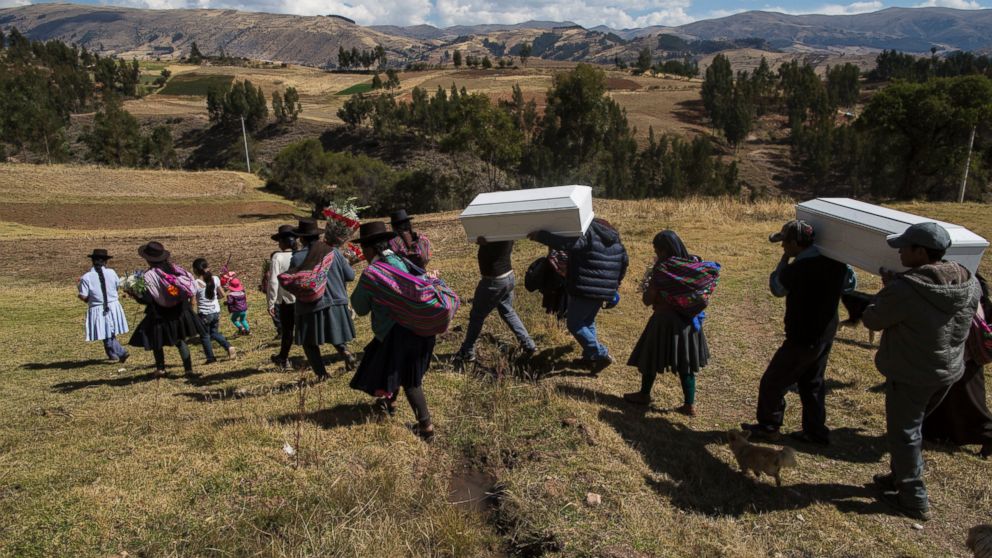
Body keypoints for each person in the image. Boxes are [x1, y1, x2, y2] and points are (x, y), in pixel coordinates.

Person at [862, 222, 981, 521]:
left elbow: (872, 320)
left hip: (912, 373)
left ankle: (913, 498)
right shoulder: (969, 281)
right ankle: (899, 476)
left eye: (905, 247)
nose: (900, 252)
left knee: (904, 434)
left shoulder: (906, 290)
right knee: (913, 429)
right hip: (948, 372)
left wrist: (887, 293)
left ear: (921, 252)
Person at [741, 220, 855, 445]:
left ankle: (769, 427)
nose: (783, 247)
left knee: (773, 381)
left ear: (795, 243)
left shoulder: (797, 269)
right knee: (812, 382)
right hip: (825, 334)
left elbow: (777, 288)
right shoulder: (835, 263)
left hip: (803, 336)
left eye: (785, 243)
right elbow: (849, 285)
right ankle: (815, 431)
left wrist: (784, 261)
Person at [350, 221, 435, 441]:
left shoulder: (372, 273)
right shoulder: (403, 260)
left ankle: (426, 428)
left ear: (369, 249)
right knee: (391, 366)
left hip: (395, 332)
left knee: (409, 379)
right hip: (418, 325)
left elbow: (360, 307)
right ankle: (389, 403)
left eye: (363, 249)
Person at [623, 231, 719, 416]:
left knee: (651, 356)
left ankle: (644, 394)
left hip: (663, 319)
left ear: (664, 250)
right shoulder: (694, 263)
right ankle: (689, 405)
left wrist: (648, 288)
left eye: (656, 250)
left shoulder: (663, 269)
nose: (655, 253)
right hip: (688, 322)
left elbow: (648, 299)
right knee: (686, 363)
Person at [529, 218, 629, 372]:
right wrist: (615, 286)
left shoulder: (588, 233)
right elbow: (624, 263)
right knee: (587, 321)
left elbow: (567, 244)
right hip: (604, 290)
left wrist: (540, 236)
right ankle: (591, 358)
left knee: (574, 324)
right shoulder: (616, 242)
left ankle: (600, 353)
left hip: (585, 288)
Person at [922, 272, 992, 459]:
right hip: (957, 347)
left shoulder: (960, 277)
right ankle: (938, 432)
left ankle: (987, 435)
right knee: (949, 395)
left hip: (962, 348)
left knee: (968, 397)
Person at [289, 218, 356, 380]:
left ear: (302, 238)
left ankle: (322, 374)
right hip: (336, 302)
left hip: (310, 306)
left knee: (309, 342)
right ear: (318, 236)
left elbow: (293, 282)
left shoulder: (297, 258)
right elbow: (350, 276)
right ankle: (345, 352)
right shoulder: (334, 252)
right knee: (334, 332)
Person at [128, 241, 203, 377]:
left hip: (160, 313)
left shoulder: (149, 276)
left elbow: (148, 299)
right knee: (180, 340)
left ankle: (161, 369)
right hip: (180, 310)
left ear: (148, 259)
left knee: (157, 341)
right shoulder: (175, 269)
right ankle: (188, 369)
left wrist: (135, 294)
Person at [456, 237, 536, 363]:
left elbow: (488, 244)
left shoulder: (494, 234)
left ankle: (467, 351)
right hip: (508, 277)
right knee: (507, 311)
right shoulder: (505, 232)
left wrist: (483, 241)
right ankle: (528, 344)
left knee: (477, 316)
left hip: (494, 281)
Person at [77, 249, 129, 363]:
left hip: (99, 308)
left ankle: (120, 352)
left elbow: (84, 296)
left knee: (106, 332)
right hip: (113, 305)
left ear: (92, 261)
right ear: (105, 261)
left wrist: (81, 296)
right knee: (108, 330)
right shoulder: (112, 273)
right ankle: (113, 355)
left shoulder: (86, 277)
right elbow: (117, 287)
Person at [192, 258, 236, 364]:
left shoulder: (195, 283)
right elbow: (222, 295)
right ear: (207, 267)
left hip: (204, 314)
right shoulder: (215, 279)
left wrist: (192, 314)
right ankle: (229, 347)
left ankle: (210, 358)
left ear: (195, 270)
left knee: (205, 336)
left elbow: (193, 302)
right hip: (216, 311)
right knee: (214, 332)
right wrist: (214, 298)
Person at [267, 224, 298, 369]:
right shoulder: (300, 254)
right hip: (302, 298)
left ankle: (284, 358)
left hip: (286, 300)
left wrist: (271, 302)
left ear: (282, 242)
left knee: (287, 331)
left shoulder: (277, 257)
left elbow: (273, 281)